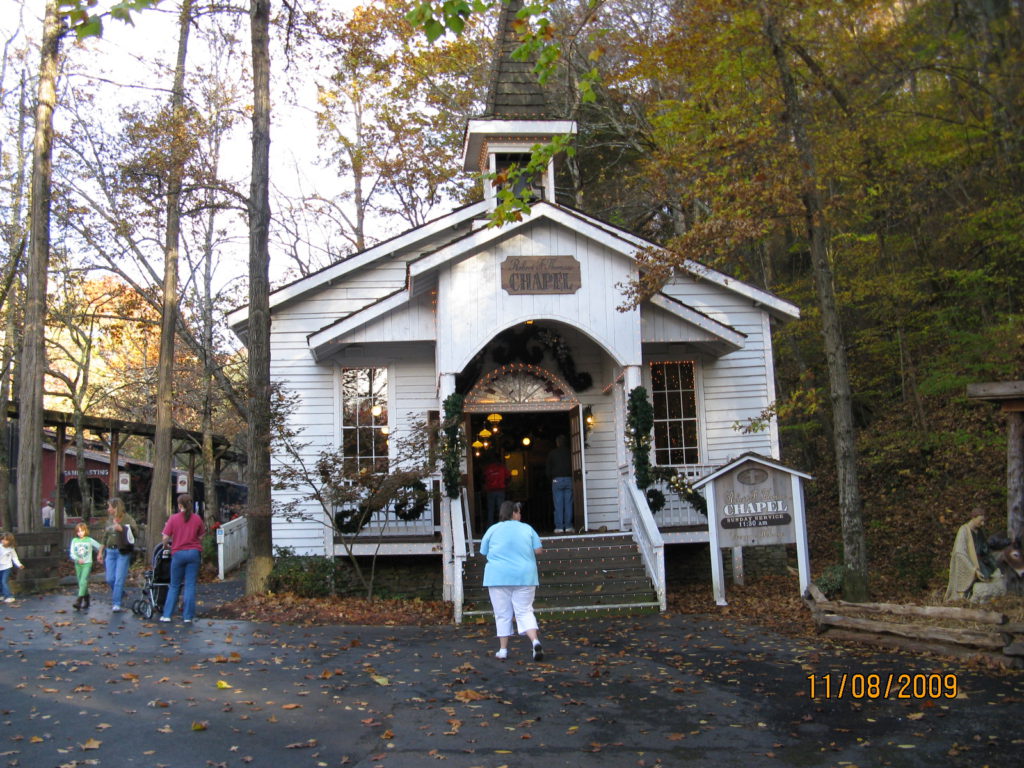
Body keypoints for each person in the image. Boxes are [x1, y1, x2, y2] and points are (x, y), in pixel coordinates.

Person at [479, 500, 544, 661]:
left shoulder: (493, 529)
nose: (520, 514)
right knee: (525, 611)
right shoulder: (527, 529)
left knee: (502, 614)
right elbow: (538, 550)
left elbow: (483, 551)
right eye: (518, 512)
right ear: (513, 513)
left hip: (497, 576)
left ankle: (503, 650)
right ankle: (535, 641)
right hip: (525, 576)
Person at [160, 493, 205, 624]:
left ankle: (167, 614)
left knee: (174, 585)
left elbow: (165, 537)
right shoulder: (197, 519)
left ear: (179, 505)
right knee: (190, 585)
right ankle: (187, 616)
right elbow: (201, 537)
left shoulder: (173, 519)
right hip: (193, 553)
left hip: (178, 553)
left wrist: (167, 546)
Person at [944, 511, 1003, 602]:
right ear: (973, 518)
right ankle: (967, 598)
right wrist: (973, 569)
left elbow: (984, 548)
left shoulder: (980, 531)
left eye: (983, 521)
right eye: (980, 521)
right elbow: (960, 552)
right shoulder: (964, 530)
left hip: (981, 562)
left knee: (990, 576)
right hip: (969, 562)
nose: (982, 523)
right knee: (970, 584)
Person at [101, 498, 139, 613]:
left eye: (110, 507)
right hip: (110, 551)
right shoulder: (109, 520)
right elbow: (105, 537)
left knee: (119, 579)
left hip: (122, 551)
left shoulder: (127, 518)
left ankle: (116, 603)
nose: (108, 510)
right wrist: (100, 551)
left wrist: (122, 529)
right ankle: (121, 593)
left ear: (116, 507)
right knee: (110, 578)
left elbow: (135, 533)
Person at [69, 523, 104, 610]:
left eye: (82, 531)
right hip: (78, 563)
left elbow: (100, 546)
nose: (80, 533)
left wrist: (99, 554)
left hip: (87, 563)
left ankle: (79, 600)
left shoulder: (89, 540)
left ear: (85, 531)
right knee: (81, 582)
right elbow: (72, 553)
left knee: (83, 580)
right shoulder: (74, 540)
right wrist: (77, 559)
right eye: (78, 531)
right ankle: (87, 599)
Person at [546, 434, 573, 533]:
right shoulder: (570, 452)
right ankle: (569, 526)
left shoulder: (552, 453)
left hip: (557, 480)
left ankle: (559, 527)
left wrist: (551, 478)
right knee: (568, 503)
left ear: (557, 443)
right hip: (569, 478)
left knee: (558, 504)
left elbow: (548, 469)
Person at [481, 450, 512, 528]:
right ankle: (502, 527)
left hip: (490, 491)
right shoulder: (502, 468)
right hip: (500, 490)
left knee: (490, 510)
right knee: (501, 509)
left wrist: (485, 486)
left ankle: (490, 527)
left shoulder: (488, 468)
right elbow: (509, 477)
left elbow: (483, 478)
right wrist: (506, 485)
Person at [0, 532, 24, 604]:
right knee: (0, 581)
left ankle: (9, 596)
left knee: (4, 581)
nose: (4, 541)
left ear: (10, 541)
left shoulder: (11, 549)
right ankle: (2, 594)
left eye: (6, 540)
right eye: (2, 539)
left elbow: (14, 557)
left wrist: (19, 564)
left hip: (6, 567)